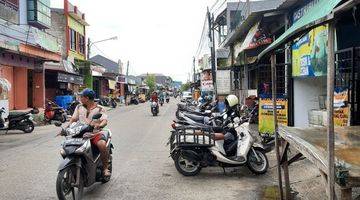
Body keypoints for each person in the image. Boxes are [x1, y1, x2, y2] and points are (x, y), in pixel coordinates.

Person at [68, 88, 111, 177]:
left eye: (81, 97)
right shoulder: (79, 107)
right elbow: (73, 119)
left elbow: (104, 120)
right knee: (68, 146)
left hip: (94, 134)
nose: (80, 99)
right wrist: (67, 127)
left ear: (86, 98)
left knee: (102, 145)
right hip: (79, 133)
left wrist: (100, 125)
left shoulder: (100, 109)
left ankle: (105, 168)